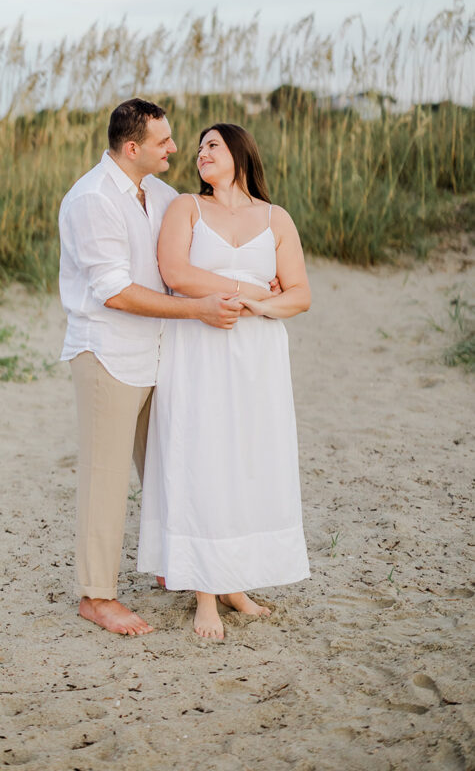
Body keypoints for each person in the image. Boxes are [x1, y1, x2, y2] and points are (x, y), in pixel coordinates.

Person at [59, 100, 271, 636]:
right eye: (164, 142)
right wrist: (200, 310)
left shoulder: (161, 194)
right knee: (104, 481)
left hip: (165, 354)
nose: (176, 149)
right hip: (108, 353)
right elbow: (115, 294)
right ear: (132, 149)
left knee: (174, 465)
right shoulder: (91, 200)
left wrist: (250, 284)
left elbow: (189, 261)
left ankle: (178, 562)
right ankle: (97, 596)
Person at [137, 122, 311, 640]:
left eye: (211, 145)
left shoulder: (276, 218)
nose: (199, 154)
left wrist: (259, 303)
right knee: (202, 457)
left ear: (239, 153)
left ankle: (233, 581)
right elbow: (175, 272)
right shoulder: (186, 208)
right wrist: (249, 288)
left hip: (256, 355)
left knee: (246, 462)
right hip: (199, 351)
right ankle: (205, 596)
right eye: (197, 149)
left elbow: (298, 295)